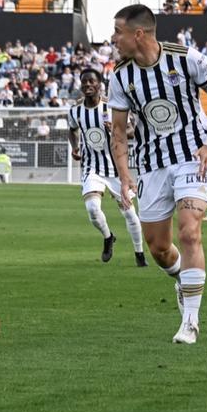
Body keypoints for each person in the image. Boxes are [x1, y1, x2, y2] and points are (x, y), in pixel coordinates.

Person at [106, 4, 207, 344]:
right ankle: (183, 278)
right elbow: (118, 132)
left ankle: (190, 321)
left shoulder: (185, 58)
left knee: (190, 232)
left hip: (194, 156)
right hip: (151, 163)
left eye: (118, 31)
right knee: (159, 247)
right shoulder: (120, 76)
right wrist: (124, 175)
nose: (113, 38)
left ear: (138, 34)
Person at [68, 68, 146, 266]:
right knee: (93, 208)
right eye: (84, 82)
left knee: (130, 213)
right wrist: (75, 146)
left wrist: (120, 131)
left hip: (117, 170)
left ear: (99, 84)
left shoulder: (112, 108)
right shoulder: (75, 111)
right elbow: (72, 130)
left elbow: (131, 130)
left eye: (91, 81)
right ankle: (108, 236)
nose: (87, 85)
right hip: (91, 167)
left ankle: (139, 253)